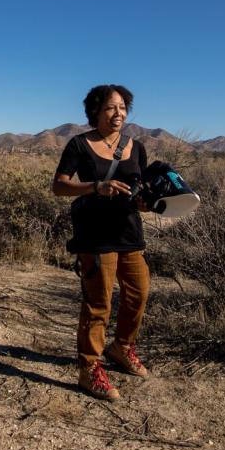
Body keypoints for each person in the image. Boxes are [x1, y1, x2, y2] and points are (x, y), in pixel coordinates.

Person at [52, 84, 151, 401]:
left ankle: (121, 348)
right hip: (95, 236)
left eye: (123, 107)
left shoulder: (136, 147)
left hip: (129, 234)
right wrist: (96, 186)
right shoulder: (79, 145)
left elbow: (141, 189)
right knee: (98, 305)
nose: (119, 112)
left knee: (139, 293)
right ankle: (89, 368)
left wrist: (146, 202)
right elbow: (59, 186)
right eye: (111, 107)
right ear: (95, 111)